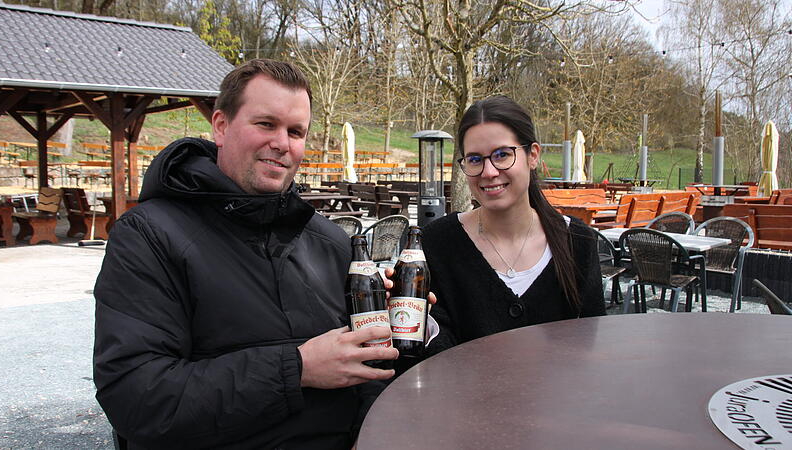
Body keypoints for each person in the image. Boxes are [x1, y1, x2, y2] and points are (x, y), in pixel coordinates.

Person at [93, 59, 400, 449]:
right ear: (221, 126)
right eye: (266, 124)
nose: (282, 144)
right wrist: (298, 368)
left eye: (296, 131)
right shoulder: (149, 236)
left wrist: (394, 326)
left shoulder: (331, 243)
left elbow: (369, 374)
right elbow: (136, 398)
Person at [422, 96, 605, 356]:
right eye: (475, 159)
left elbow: (590, 350)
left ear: (533, 155)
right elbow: (427, 356)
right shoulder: (436, 243)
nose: (488, 172)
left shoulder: (578, 242)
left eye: (502, 155)